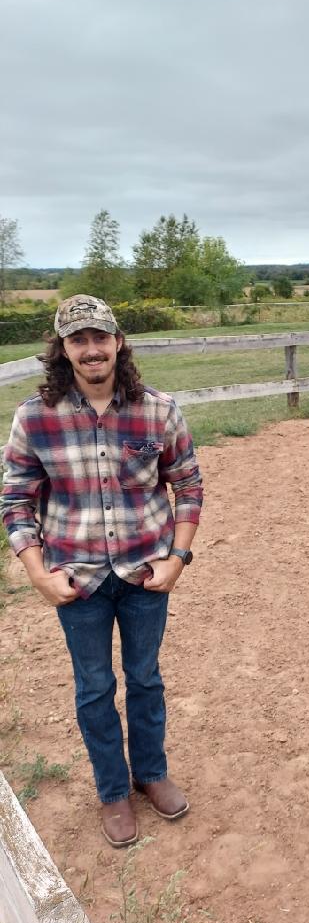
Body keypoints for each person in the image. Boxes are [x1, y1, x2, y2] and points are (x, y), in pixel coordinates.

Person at [1, 295, 203, 848]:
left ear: (117, 342)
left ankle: (152, 774)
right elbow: (16, 500)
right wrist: (38, 573)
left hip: (145, 574)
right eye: (77, 340)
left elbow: (187, 486)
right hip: (77, 581)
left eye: (99, 337)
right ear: (63, 350)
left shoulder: (158, 411)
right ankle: (113, 791)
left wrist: (177, 558)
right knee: (94, 688)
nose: (91, 349)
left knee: (145, 679)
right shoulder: (34, 419)